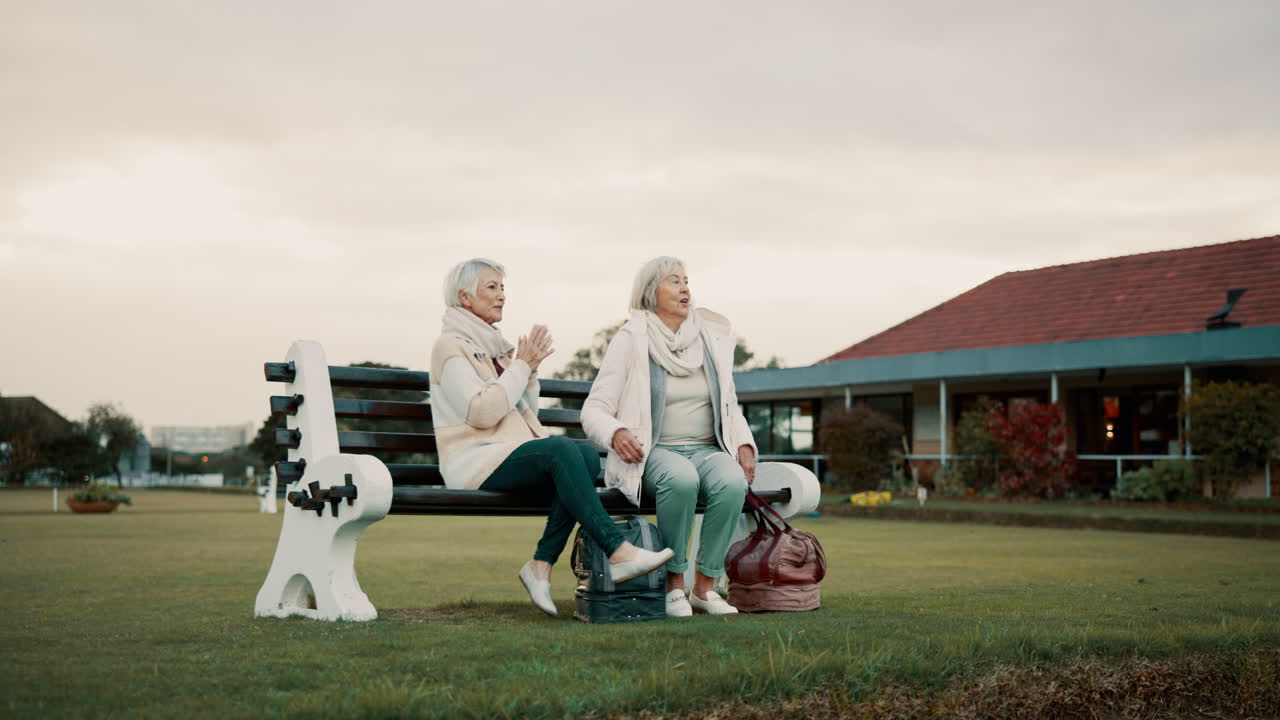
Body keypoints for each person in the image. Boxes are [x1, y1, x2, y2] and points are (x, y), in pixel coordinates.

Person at [430, 258, 673, 617]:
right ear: (465, 297)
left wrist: (529, 371)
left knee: (588, 457)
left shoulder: (495, 347)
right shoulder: (449, 346)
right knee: (562, 449)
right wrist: (521, 367)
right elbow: (481, 412)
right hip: (473, 459)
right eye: (492, 288)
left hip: (505, 452)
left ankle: (541, 565)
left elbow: (523, 410)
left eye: (502, 287)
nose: (502, 296)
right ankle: (617, 551)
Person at [581, 256, 756, 616]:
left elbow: (729, 405)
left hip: (707, 449)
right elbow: (594, 409)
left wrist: (743, 443)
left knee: (731, 480)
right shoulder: (631, 340)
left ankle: (705, 588)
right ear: (650, 292)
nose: (685, 288)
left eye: (686, 280)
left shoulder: (710, 339)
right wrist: (616, 433)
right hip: (655, 452)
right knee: (680, 479)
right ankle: (674, 584)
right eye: (674, 281)